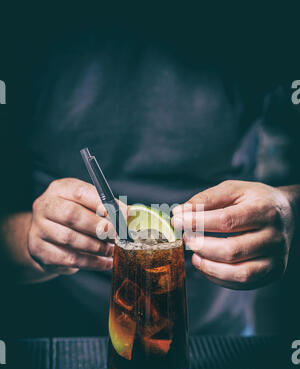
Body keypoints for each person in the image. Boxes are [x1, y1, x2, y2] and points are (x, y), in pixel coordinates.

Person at [1, 6, 299, 336]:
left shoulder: (265, 23)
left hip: (215, 340)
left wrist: (290, 206)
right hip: (55, 343)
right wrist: (32, 238)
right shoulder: (22, 25)